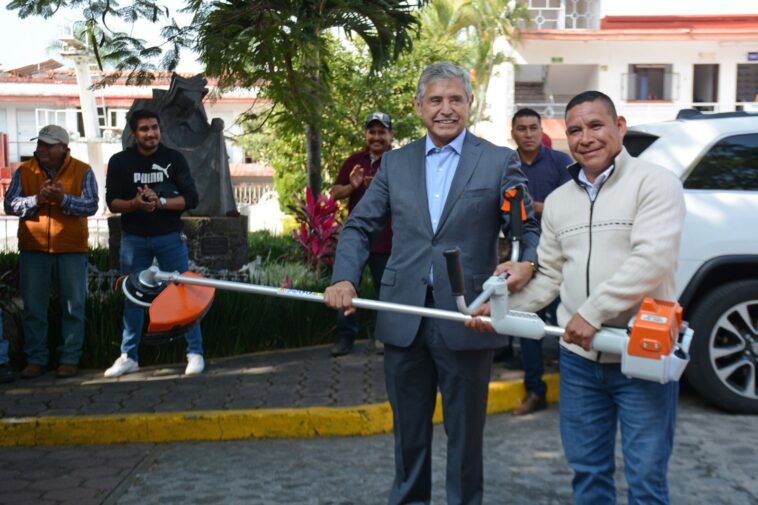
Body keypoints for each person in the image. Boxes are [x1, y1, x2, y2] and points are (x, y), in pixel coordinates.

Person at [324, 62, 540, 505]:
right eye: (436, 100)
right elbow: (359, 228)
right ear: (418, 106)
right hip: (403, 317)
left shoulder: (499, 161)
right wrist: (345, 277)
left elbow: (526, 228)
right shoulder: (395, 164)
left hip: (467, 317)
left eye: (455, 99)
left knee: (465, 441)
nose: (446, 109)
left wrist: (526, 263)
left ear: (470, 104)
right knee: (408, 437)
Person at [468, 90, 686, 505]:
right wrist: (498, 312)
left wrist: (591, 312)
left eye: (596, 125)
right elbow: (549, 275)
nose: (585, 137)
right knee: (587, 478)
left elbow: (651, 259)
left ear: (619, 127)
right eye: (575, 130)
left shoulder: (655, 184)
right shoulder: (559, 202)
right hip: (581, 362)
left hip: (640, 352)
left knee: (646, 483)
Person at [104, 110, 204, 378]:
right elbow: (112, 202)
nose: (151, 133)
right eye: (144, 129)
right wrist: (135, 204)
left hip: (169, 237)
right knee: (133, 297)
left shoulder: (173, 159)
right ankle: (129, 357)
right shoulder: (120, 161)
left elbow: (191, 199)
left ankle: (195, 353)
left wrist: (159, 202)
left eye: (154, 127)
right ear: (133, 133)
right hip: (134, 239)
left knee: (184, 292)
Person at [4, 125, 99, 379]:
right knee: (34, 308)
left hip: (72, 248)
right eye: (40, 144)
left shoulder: (84, 170)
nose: (41, 149)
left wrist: (62, 200)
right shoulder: (24, 171)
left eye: (48, 144)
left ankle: (69, 359)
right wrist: (37, 199)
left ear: (64, 148)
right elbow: (9, 205)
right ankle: (36, 360)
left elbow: (91, 205)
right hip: (33, 249)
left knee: (73, 306)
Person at [508, 107, 573, 416]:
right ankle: (535, 391)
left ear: (540, 130)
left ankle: (576, 391)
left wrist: (531, 207)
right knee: (527, 324)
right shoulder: (505, 164)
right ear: (514, 133)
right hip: (523, 258)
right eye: (522, 129)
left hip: (563, 257)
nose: (529, 134)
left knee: (567, 324)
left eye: (534, 128)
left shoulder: (561, 162)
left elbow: (571, 206)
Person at [330, 112, 394, 356]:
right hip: (356, 242)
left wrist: (381, 186)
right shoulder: (354, 161)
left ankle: (382, 338)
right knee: (344, 286)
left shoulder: (397, 161)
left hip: (388, 241)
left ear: (390, 134)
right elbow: (335, 193)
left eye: (381, 132)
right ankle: (345, 339)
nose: (376, 137)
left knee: (385, 292)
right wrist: (353, 185)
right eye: (372, 132)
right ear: (366, 134)